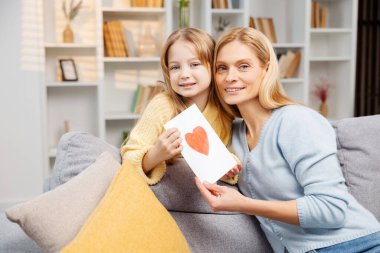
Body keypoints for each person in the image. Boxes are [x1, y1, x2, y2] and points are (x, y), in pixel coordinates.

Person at [195, 27, 380, 253]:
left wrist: (243, 204)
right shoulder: (232, 133)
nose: (230, 77)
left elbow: (331, 208)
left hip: (355, 245)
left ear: (267, 68)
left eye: (244, 66)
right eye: (221, 68)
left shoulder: (296, 120)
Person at [121, 27, 240, 185]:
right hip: (164, 191)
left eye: (194, 64)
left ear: (213, 67)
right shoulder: (162, 106)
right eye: (175, 67)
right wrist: (156, 154)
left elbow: (231, 153)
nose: (184, 74)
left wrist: (227, 167)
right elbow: (128, 159)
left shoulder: (224, 109)